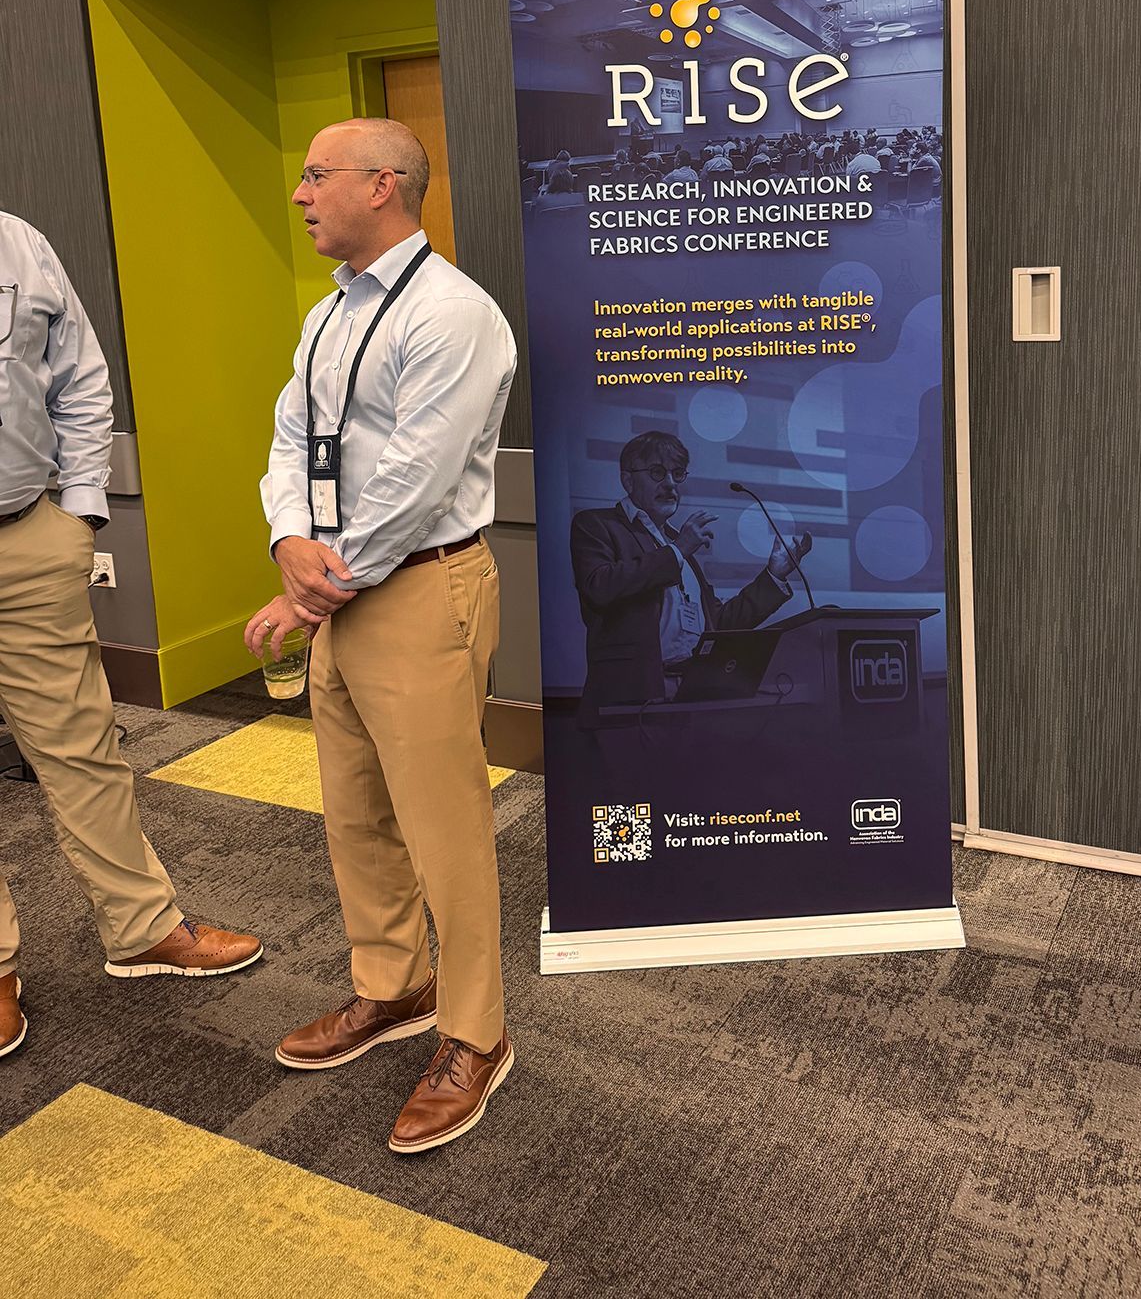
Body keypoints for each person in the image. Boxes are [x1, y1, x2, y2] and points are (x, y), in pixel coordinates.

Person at [249, 117, 516, 1154]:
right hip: (341, 588)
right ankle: (394, 985)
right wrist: (287, 538)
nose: (301, 194)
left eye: (317, 175)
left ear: (383, 186)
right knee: (356, 810)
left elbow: (417, 478)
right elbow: (291, 437)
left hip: (417, 587)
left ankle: (476, 1034)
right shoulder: (330, 314)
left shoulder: (453, 314)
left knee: (444, 825)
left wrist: (311, 594)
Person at [0, 212, 262, 1060]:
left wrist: (80, 509)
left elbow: (78, 375)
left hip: (28, 535)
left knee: (84, 748)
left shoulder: (17, 241)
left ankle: (143, 929)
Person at [569, 431, 809, 726]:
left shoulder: (678, 544)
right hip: (630, 697)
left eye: (678, 473)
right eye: (657, 472)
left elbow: (719, 624)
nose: (670, 483)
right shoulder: (597, 525)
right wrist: (678, 550)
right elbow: (599, 587)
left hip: (693, 695)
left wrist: (774, 575)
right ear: (628, 481)